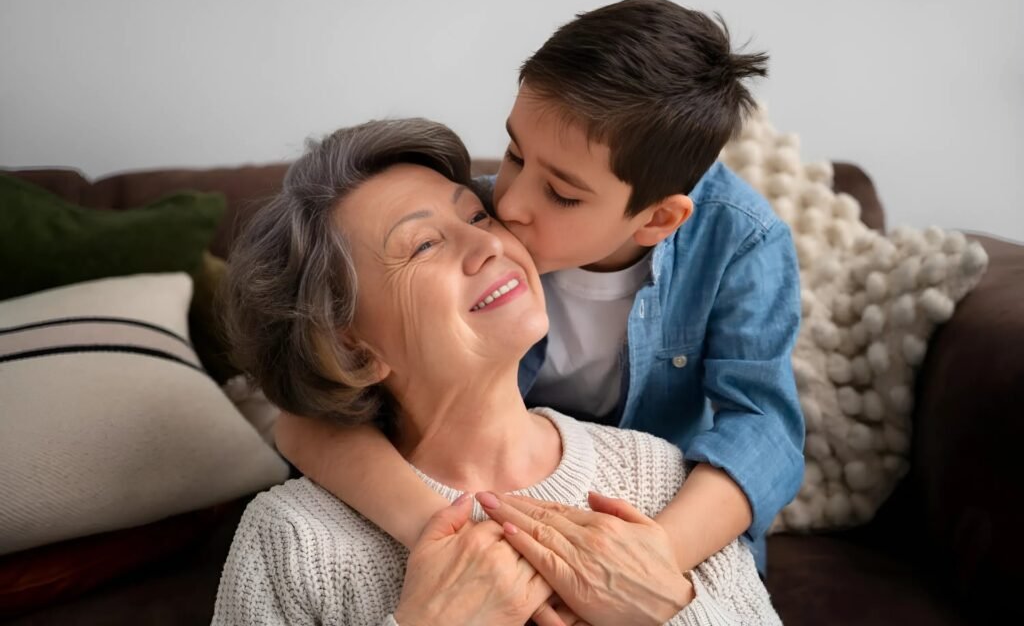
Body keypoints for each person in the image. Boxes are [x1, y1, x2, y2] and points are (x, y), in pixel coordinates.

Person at [274, 0, 804, 579]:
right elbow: (307, 413)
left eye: (562, 194)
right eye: (514, 153)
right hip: (490, 500)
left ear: (657, 220)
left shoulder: (741, 242)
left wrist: (649, 561)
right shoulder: (471, 225)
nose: (510, 205)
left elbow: (765, 430)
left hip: (639, 510)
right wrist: (443, 534)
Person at [212, 118, 780, 626]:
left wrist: (667, 607)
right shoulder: (290, 539)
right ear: (353, 348)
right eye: (424, 244)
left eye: (478, 213)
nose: (488, 240)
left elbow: (767, 431)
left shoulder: (659, 479)